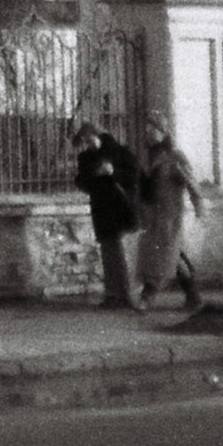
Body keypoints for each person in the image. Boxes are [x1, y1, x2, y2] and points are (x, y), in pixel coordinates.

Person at [71, 119, 142, 308]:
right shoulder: (86, 158)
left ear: (98, 135)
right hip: (101, 208)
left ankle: (125, 294)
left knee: (120, 250)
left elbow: (134, 176)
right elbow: (80, 181)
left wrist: (113, 172)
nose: (89, 144)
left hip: (120, 207)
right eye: (85, 142)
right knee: (108, 250)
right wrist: (94, 175)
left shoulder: (119, 152)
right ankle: (112, 293)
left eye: (90, 139)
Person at [135, 118, 203, 310]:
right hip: (151, 215)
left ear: (164, 132)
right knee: (168, 254)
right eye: (147, 129)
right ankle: (193, 296)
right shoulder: (146, 157)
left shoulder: (175, 156)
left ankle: (147, 296)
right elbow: (142, 186)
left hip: (170, 214)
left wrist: (199, 206)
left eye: (154, 129)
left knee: (163, 253)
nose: (149, 133)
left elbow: (191, 182)